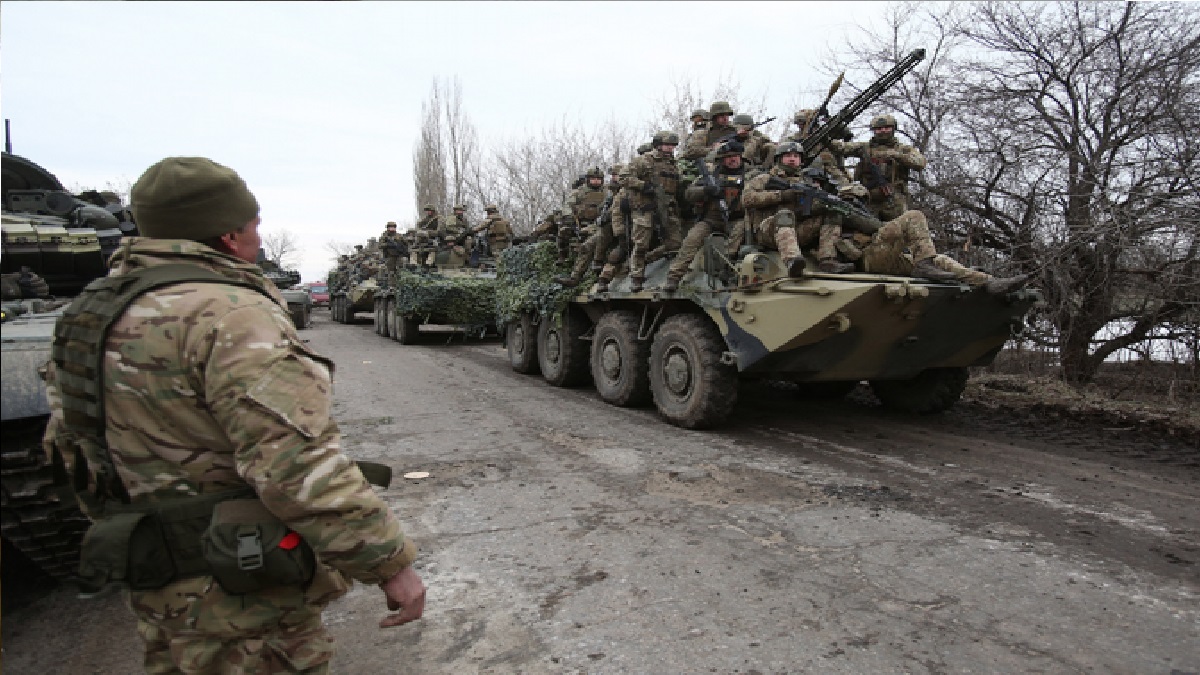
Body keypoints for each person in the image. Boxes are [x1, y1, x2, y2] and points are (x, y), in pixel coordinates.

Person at [40, 157, 426, 673]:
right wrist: (387, 563)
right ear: (227, 235)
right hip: (243, 585)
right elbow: (293, 466)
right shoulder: (231, 314)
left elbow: (66, 447)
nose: (258, 236)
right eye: (254, 224)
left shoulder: (89, 313)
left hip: (157, 576)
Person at [834, 183, 1030, 294]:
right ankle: (923, 265)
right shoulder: (837, 212)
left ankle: (987, 282)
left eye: (859, 200)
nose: (856, 203)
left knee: (940, 260)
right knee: (914, 216)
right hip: (866, 257)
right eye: (852, 199)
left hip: (884, 258)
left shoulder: (865, 214)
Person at [743, 141, 853, 275]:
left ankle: (827, 259)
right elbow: (747, 199)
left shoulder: (806, 182)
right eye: (788, 155)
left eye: (796, 156)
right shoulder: (764, 179)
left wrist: (823, 205)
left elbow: (807, 209)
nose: (792, 159)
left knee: (833, 214)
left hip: (796, 229)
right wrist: (781, 195)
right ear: (779, 158)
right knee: (785, 214)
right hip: (767, 231)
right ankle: (792, 261)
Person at [662, 140, 749, 292]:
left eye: (736, 156)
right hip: (711, 219)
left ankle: (727, 269)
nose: (733, 159)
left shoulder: (750, 175)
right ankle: (673, 277)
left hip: (736, 219)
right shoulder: (711, 175)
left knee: (740, 230)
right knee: (692, 239)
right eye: (729, 157)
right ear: (722, 158)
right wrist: (706, 190)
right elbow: (689, 194)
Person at [621, 130, 683, 292]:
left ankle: (650, 262)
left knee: (675, 243)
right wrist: (643, 186)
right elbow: (624, 177)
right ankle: (636, 276)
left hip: (667, 207)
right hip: (645, 208)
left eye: (673, 146)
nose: (670, 148)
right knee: (641, 244)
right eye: (667, 145)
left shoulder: (673, 164)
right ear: (658, 145)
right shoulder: (644, 161)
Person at [833, 114, 925, 220]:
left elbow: (920, 163)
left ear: (893, 129)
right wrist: (826, 136)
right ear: (874, 130)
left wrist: (898, 156)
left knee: (898, 230)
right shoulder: (865, 148)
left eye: (887, 128)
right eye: (879, 129)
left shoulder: (903, 149)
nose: (883, 131)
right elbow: (841, 147)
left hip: (893, 199)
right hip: (869, 199)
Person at [554, 167, 609, 287]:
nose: (596, 182)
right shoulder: (579, 192)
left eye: (598, 179)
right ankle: (562, 255)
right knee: (563, 231)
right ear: (588, 180)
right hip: (580, 222)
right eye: (593, 179)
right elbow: (567, 206)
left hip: (599, 224)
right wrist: (569, 218)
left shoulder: (607, 192)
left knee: (587, 245)